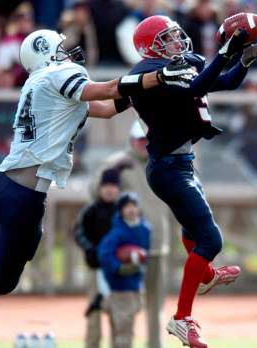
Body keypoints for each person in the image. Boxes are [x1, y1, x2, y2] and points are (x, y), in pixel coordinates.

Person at [0, 27, 185, 317]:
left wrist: (146, 85)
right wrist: (157, 76)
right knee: (0, 282)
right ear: (46, 53)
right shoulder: (56, 74)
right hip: (22, 195)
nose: (67, 52)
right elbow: (110, 89)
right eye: (60, 48)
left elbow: (108, 107)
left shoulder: (39, 83)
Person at [129, 15, 257, 348]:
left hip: (182, 163)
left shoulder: (183, 62)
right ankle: (181, 318)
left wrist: (243, 62)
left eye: (177, 35)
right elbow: (196, 87)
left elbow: (221, 82)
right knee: (211, 239)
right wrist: (224, 53)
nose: (178, 41)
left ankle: (206, 276)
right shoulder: (149, 74)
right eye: (168, 38)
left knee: (194, 232)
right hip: (167, 168)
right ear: (151, 48)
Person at [92, 120, 171, 348]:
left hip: (157, 245)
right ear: (131, 140)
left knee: (156, 305)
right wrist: (113, 170)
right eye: (139, 139)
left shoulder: (164, 161)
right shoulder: (118, 163)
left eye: (147, 139)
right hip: (125, 248)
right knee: (124, 303)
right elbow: (94, 191)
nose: (143, 144)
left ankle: (155, 345)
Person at [73, 169, 121, 348]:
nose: (109, 190)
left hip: (117, 270)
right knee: (94, 312)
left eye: (113, 186)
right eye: (106, 186)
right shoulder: (90, 210)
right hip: (95, 268)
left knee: (117, 312)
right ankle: (92, 344)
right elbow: (78, 233)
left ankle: (119, 344)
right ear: (100, 188)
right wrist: (90, 249)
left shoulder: (123, 211)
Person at [98, 192, 151, 348]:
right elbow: (104, 254)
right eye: (126, 206)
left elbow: (144, 253)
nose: (131, 209)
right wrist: (119, 268)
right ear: (120, 210)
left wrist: (140, 261)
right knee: (123, 330)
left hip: (135, 283)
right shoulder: (117, 232)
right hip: (120, 287)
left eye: (133, 205)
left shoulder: (145, 229)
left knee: (123, 327)